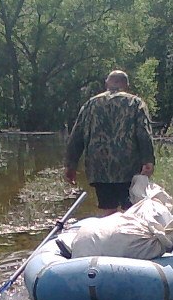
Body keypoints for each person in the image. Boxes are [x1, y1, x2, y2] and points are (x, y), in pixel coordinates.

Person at [64, 69, 155, 213]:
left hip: (99, 166)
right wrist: (148, 160)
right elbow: (144, 133)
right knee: (131, 209)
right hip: (128, 166)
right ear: (127, 85)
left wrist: (71, 165)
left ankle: (108, 233)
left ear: (107, 83)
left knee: (108, 210)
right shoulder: (135, 103)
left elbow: (76, 136)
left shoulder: (90, 104)